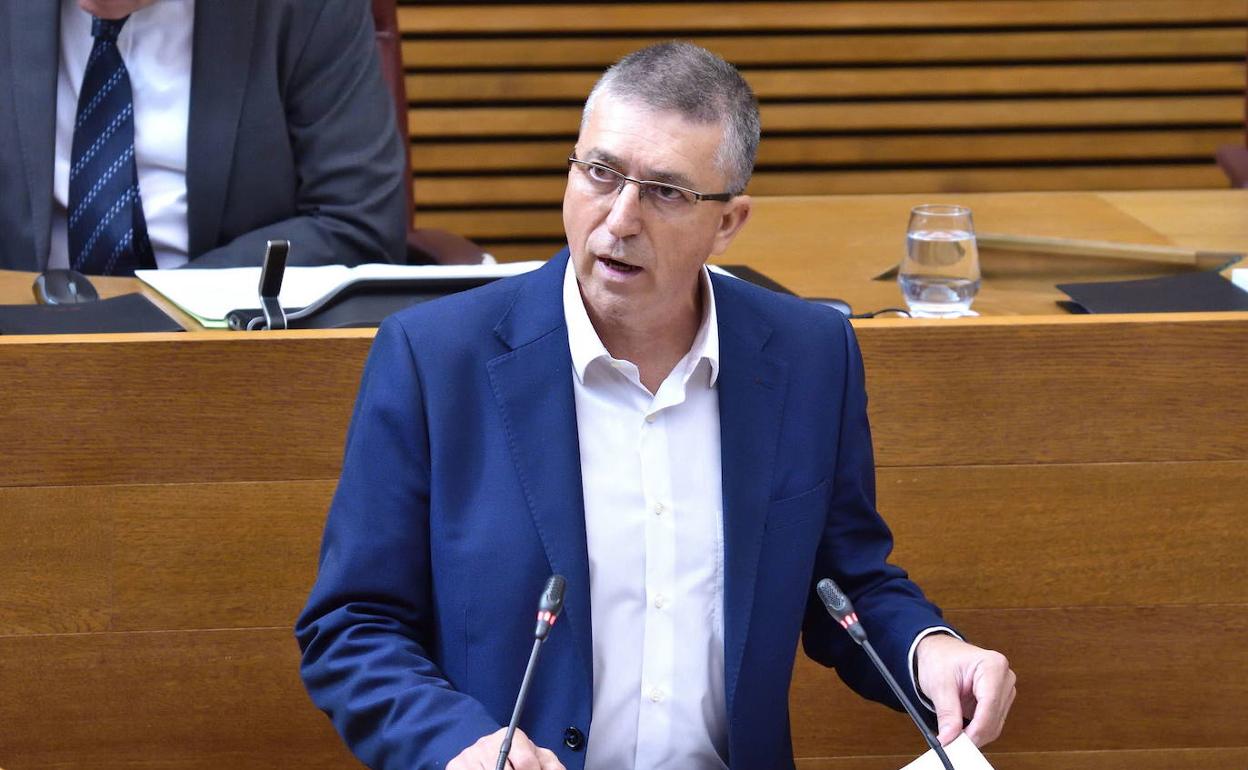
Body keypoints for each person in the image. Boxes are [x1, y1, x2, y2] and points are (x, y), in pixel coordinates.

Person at [296, 42, 1016, 770]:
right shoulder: (434, 358)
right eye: (600, 174)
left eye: (667, 192)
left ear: (729, 223)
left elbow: (846, 584)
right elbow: (354, 624)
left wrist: (932, 650)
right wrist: (457, 748)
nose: (619, 220)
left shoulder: (809, 356)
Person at [0, 0, 407, 274]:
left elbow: (359, 225)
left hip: (232, 347)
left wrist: (165, 301)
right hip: (23, 342)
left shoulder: (303, 11)